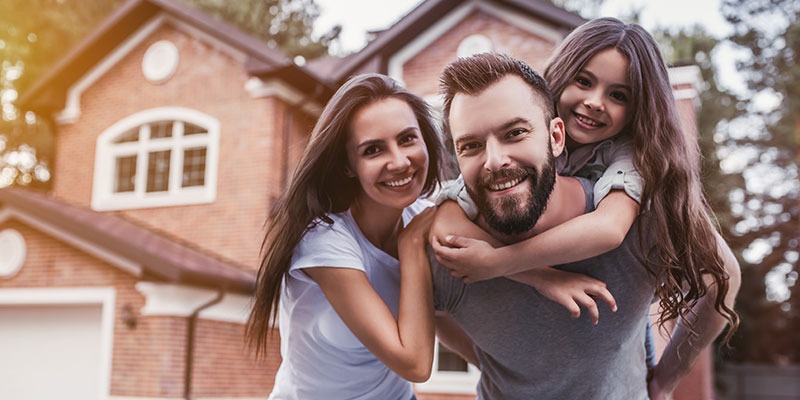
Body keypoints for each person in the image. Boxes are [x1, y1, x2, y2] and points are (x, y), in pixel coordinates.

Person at [428, 49, 740, 399]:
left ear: (556, 137)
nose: (495, 161)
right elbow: (432, 310)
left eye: (515, 133)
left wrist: (665, 382)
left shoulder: (638, 210)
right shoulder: (452, 250)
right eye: (471, 145)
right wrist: (492, 362)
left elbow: (722, 278)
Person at [245, 73, 446, 400]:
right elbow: (415, 363)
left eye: (407, 139)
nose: (399, 161)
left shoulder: (426, 216)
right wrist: (410, 247)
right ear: (347, 165)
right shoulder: (323, 240)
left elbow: (454, 309)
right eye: (373, 150)